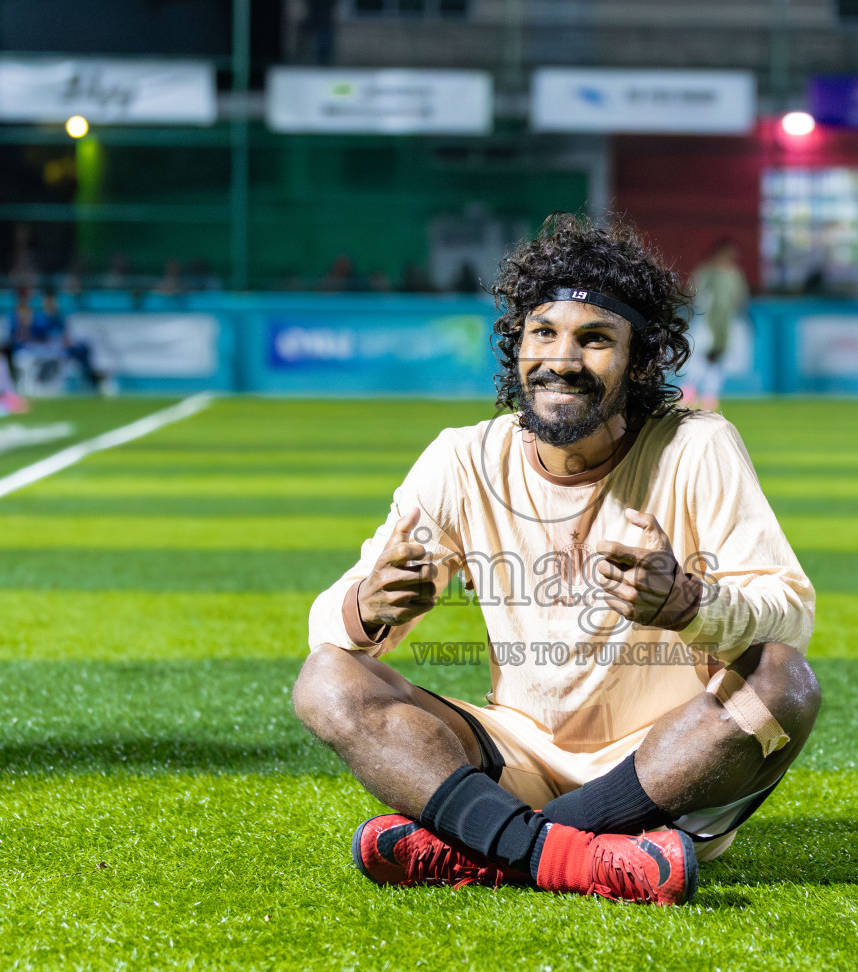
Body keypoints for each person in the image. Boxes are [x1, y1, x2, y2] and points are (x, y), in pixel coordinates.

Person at [294, 215, 819, 906]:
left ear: (639, 361)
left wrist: (689, 605)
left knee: (784, 680)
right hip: (514, 753)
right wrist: (369, 605)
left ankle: (488, 847)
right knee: (327, 680)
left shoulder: (697, 446)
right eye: (543, 332)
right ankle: (572, 856)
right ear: (517, 344)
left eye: (594, 338)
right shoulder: (462, 458)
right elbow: (330, 630)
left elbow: (791, 617)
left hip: (667, 762)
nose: (562, 359)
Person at [685, 238, 749, 412]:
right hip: (706, 322)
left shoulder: (735, 274)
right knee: (699, 356)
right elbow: (694, 293)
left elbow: (739, 298)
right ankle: (688, 392)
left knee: (718, 359)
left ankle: (710, 396)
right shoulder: (706, 272)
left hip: (726, 323)